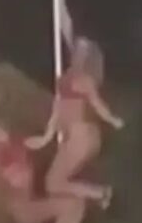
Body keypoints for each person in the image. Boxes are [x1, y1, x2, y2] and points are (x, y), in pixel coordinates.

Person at [44, 36, 124, 210]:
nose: (78, 55)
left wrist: (112, 120)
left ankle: (99, 194)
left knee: (54, 183)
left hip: (81, 136)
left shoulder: (84, 80)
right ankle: (96, 195)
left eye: (83, 52)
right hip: (77, 137)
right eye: (77, 50)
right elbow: (59, 106)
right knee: (53, 183)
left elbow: (98, 105)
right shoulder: (67, 78)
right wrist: (48, 133)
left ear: (88, 58)